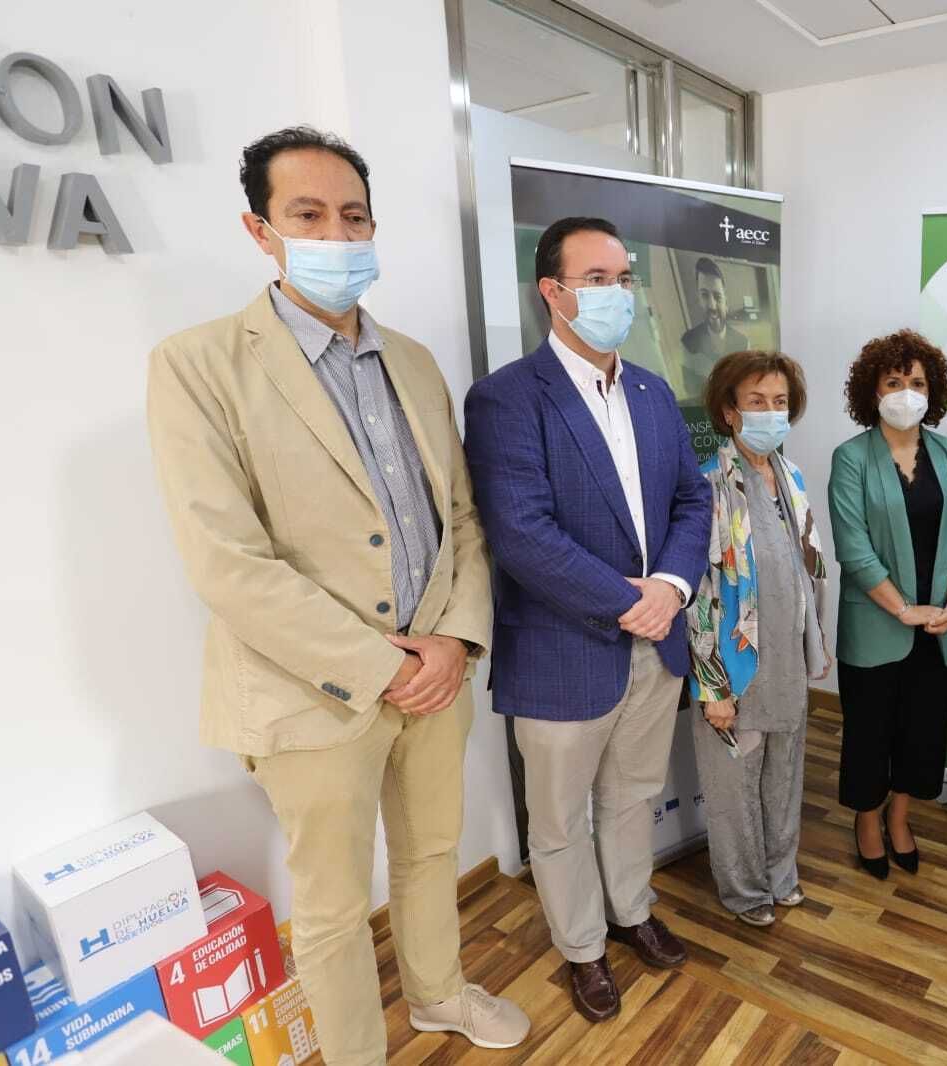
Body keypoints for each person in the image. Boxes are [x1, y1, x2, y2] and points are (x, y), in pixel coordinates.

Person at [146, 127, 529, 1066]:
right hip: (308, 693)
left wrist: (455, 642)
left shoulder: (412, 361)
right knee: (328, 902)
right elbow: (226, 560)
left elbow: (464, 519)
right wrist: (378, 664)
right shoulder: (197, 364)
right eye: (308, 213)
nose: (337, 231)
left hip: (436, 672)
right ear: (260, 229)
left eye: (352, 214)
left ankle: (439, 994)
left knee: (432, 853)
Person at [463, 217, 711, 1023]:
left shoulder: (649, 390)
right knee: (562, 819)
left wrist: (671, 585)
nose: (618, 295)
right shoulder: (507, 398)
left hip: (653, 641)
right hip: (564, 651)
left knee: (633, 796)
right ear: (554, 292)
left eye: (625, 278)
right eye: (598, 279)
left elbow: (691, 498)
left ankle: (632, 912)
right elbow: (523, 534)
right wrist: (630, 600)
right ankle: (582, 949)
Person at [686, 351, 831, 926]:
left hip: (787, 667)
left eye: (779, 402)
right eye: (756, 402)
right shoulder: (707, 487)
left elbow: (808, 571)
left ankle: (781, 874)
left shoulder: (791, 477)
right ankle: (746, 892)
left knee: (784, 778)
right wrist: (712, 684)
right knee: (735, 790)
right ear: (728, 411)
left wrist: (815, 642)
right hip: (735, 672)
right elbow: (695, 593)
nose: (771, 413)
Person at [827, 330, 947, 880]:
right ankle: (867, 821)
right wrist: (903, 609)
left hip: (939, 625)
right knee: (870, 730)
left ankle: (901, 818)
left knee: (922, 729)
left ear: (932, 391)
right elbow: (854, 548)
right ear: (873, 391)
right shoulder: (851, 458)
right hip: (877, 625)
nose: (906, 392)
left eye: (916, 382)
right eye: (894, 382)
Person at [678, 257, 750, 398]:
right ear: (699, 299)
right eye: (705, 295)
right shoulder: (688, 343)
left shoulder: (743, 343)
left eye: (717, 296)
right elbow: (690, 391)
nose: (711, 305)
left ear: (726, 302)